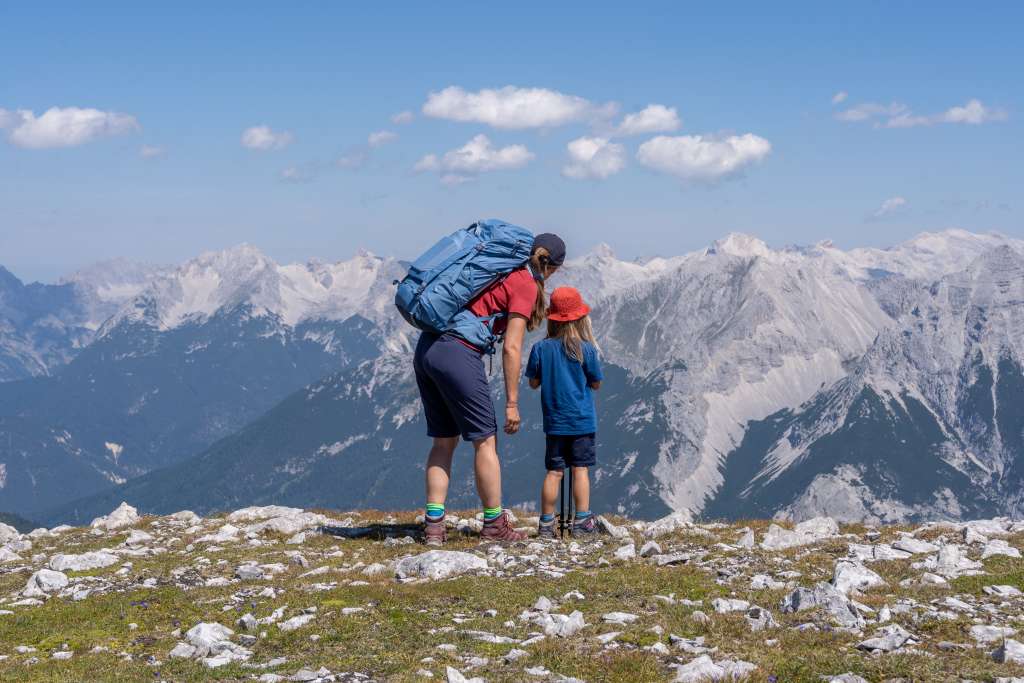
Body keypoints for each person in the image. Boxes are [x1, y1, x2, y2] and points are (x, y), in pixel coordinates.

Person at [414, 232, 567, 545]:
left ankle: (433, 526)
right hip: (458, 352)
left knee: (443, 443)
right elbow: (512, 346)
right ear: (552, 267)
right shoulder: (524, 283)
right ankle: (495, 525)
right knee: (485, 442)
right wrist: (512, 402)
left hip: (427, 347)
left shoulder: (495, 270)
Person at [524, 286, 603, 538]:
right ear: (579, 318)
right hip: (582, 421)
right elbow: (596, 382)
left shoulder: (540, 349)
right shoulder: (587, 349)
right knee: (580, 469)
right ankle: (582, 521)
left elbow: (533, 382)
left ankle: (546, 523)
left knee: (554, 472)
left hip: (555, 422)